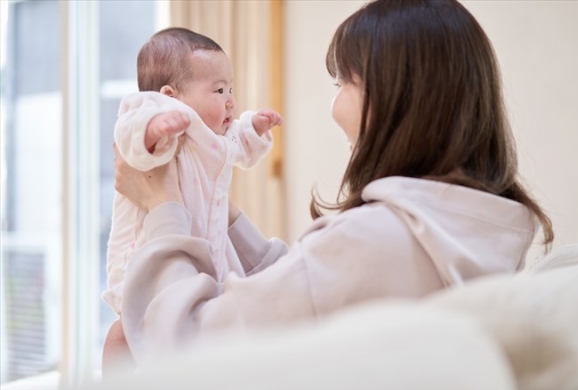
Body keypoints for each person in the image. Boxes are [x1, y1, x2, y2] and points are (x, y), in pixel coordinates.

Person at [112, 0, 554, 369]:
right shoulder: (483, 228)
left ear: (390, 97)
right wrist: (221, 213)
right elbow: (302, 287)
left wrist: (163, 205)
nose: (333, 104)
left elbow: (186, 345)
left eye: (342, 82)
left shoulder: (378, 241)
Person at [102, 27, 282, 372]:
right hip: (145, 252)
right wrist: (155, 129)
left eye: (231, 89)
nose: (230, 100)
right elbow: (128, 132)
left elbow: (238, 147)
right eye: (218, 90)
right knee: (124, 333)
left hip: (203, 252)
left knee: (194, 323)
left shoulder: (213, 138)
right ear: (170, 96)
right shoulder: (155, 114)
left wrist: (254, 129)